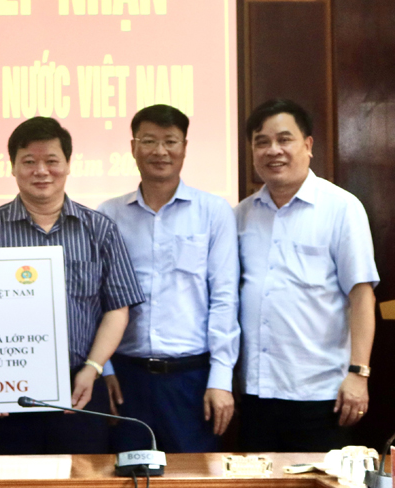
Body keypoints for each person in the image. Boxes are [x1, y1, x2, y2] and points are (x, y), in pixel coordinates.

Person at [0, 116, 144, 455]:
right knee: (10, 478)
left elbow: (117, 308)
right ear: (13, 167)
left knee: (82, 476)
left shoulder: (99, 229)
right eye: (29, 161)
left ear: (68, 164)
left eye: (51, 161)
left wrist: (93, 368)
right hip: (4, 389)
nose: (41, 171)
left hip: (80, 386)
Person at [236, 98, 378, 451]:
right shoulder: (241, 215)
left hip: (321, 395)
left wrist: (359, 373)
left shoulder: (341, 208)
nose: (273, 150)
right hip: (255, 393)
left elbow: (361, 296)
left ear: (308, 145)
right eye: (262, 142)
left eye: (284, 139)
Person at [97, 104, 239, 453]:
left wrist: (221, 378)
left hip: (192, 380)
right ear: (133, 148)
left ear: (184, 147)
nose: (160, 151)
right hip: (126, 379)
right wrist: (105, 370)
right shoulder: (108, 215)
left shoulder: (213, 212)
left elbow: (224, 298)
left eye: (170, 141)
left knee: (194, 475)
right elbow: (96, 302)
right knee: (126, 473)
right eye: (149, 141)